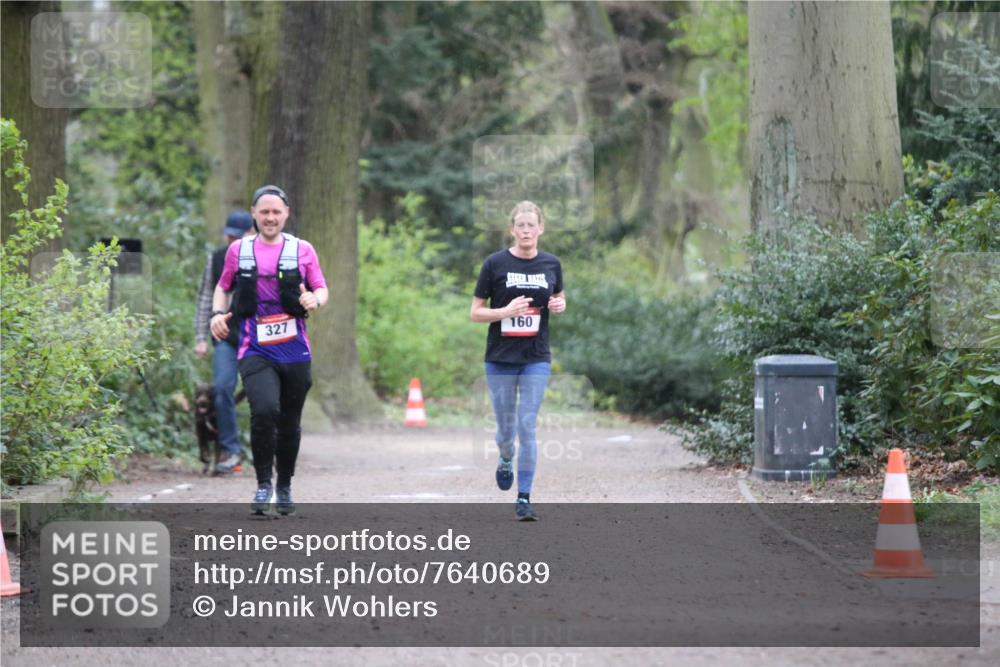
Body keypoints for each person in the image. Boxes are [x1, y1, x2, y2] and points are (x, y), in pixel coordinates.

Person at [210, 185, 328, 515]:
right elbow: (222, 288)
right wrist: (217, 315)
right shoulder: (239, 250)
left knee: (289, 421)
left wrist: (314, 299)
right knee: (263, 412)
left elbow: (321, 287)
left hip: (294, 350)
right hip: (255, 347)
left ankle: (285, 486)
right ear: (254, 214)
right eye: (264, 212)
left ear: (286, 214)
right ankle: (263, 486)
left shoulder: (302, 249)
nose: (271, 218)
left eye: (276, 212)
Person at [470, 201, 566, 521]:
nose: (526, 231)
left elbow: (558, 296)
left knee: (527, 425)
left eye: (531, 225)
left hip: (536, 357)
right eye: (520, 225)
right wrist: (504, 312)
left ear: (541, 229)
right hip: (499, 359)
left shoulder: (551, 264)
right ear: (512, 230)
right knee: (506, 430)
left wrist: (559, 304)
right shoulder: (494, 263)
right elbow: (475, 312)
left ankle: (524, 497)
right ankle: (505, 457)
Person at [193, 210, 254, 474]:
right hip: (226, 337)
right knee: (221, 388)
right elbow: (206, 297)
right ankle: (230, 450)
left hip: (258, 336)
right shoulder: (217, 259)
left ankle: (273, 447)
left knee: (266, 396)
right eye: (230, 236)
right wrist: (200, 337)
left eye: (237, 237)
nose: (232, 242)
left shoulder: (263, 257)